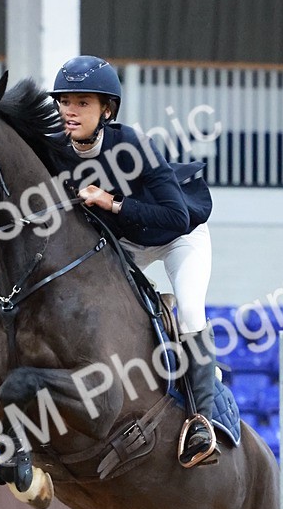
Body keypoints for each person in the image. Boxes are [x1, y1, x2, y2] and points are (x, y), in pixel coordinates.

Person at [49, 55, 218, 468]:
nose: (70, 110)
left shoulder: (133, 146)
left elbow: (176, 217)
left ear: (106, 109)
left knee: (192, 312)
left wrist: (112, 202)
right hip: (124, 245)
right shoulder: (54, 149)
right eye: (64, 101)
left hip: (179, 238)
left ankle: (202, 420)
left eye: (82, 103)